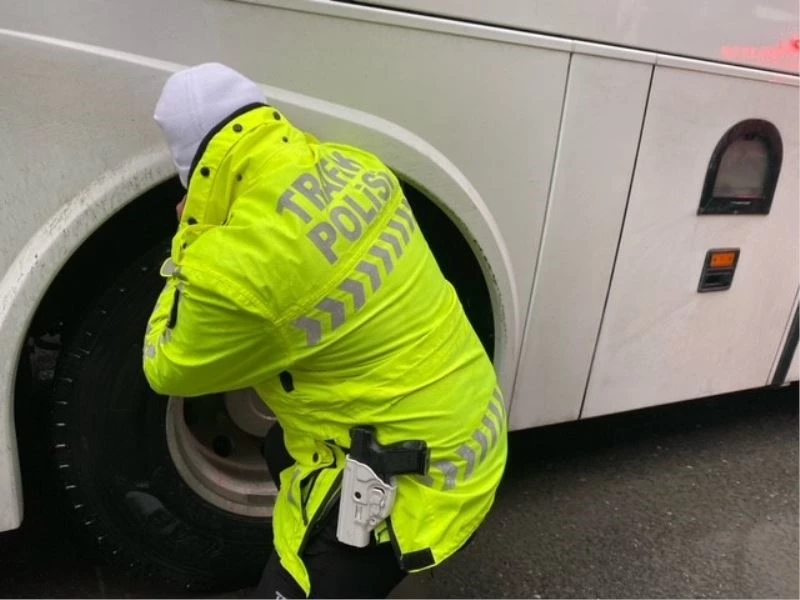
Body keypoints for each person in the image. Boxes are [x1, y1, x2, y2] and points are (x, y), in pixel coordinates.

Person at [144, 62, 507, 599]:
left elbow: (167, 364)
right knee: (278, 449)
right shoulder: (358, 165)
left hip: (413, 482)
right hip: (475, 431)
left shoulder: (234, 262)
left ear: (192, 166)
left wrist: (190, 237)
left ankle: (353, 561)